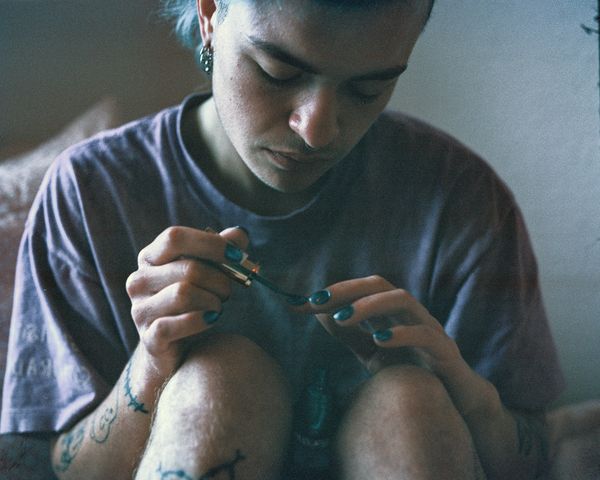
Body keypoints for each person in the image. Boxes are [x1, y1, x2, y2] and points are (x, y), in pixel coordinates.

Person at [0, 0, 565, 478]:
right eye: (278, 72)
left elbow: (534, 457)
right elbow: (48, 468)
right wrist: (151, 367)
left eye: (367, 90)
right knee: (215, 385)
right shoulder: (93, 193)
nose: (317, 130)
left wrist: (459, 390)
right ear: (210, 15)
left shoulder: (462, 199)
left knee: (409, 402)